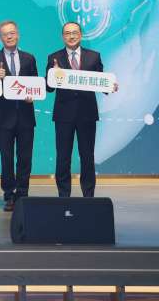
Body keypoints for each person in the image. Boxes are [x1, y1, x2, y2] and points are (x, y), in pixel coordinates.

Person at [46, 21, 117, 198]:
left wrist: (110, 87)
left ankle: (88, 195)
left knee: (87, 156)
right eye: (67, 33)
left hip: (87, 114)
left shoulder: (94, 56)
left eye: (75, 32)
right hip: (63, 115)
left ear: (81, 35)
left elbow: (101, 82)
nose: (71, 36)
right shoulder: (54, 57)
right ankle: (64, 195)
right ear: (62, 36)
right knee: (63, 157)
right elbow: (49, 88)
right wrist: (54, 75)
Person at [0, 20, 38, 211]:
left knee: (25, 158)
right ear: (0, 37)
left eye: (12, 33)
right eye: (5, 34)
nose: (9, 36)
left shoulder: (29, 58)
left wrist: (32, 95)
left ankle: (22, 194)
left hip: (26, 117)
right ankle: (9, 194)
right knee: (6, 158)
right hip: (3, 118)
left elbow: (36, 85)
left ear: (18, 35)